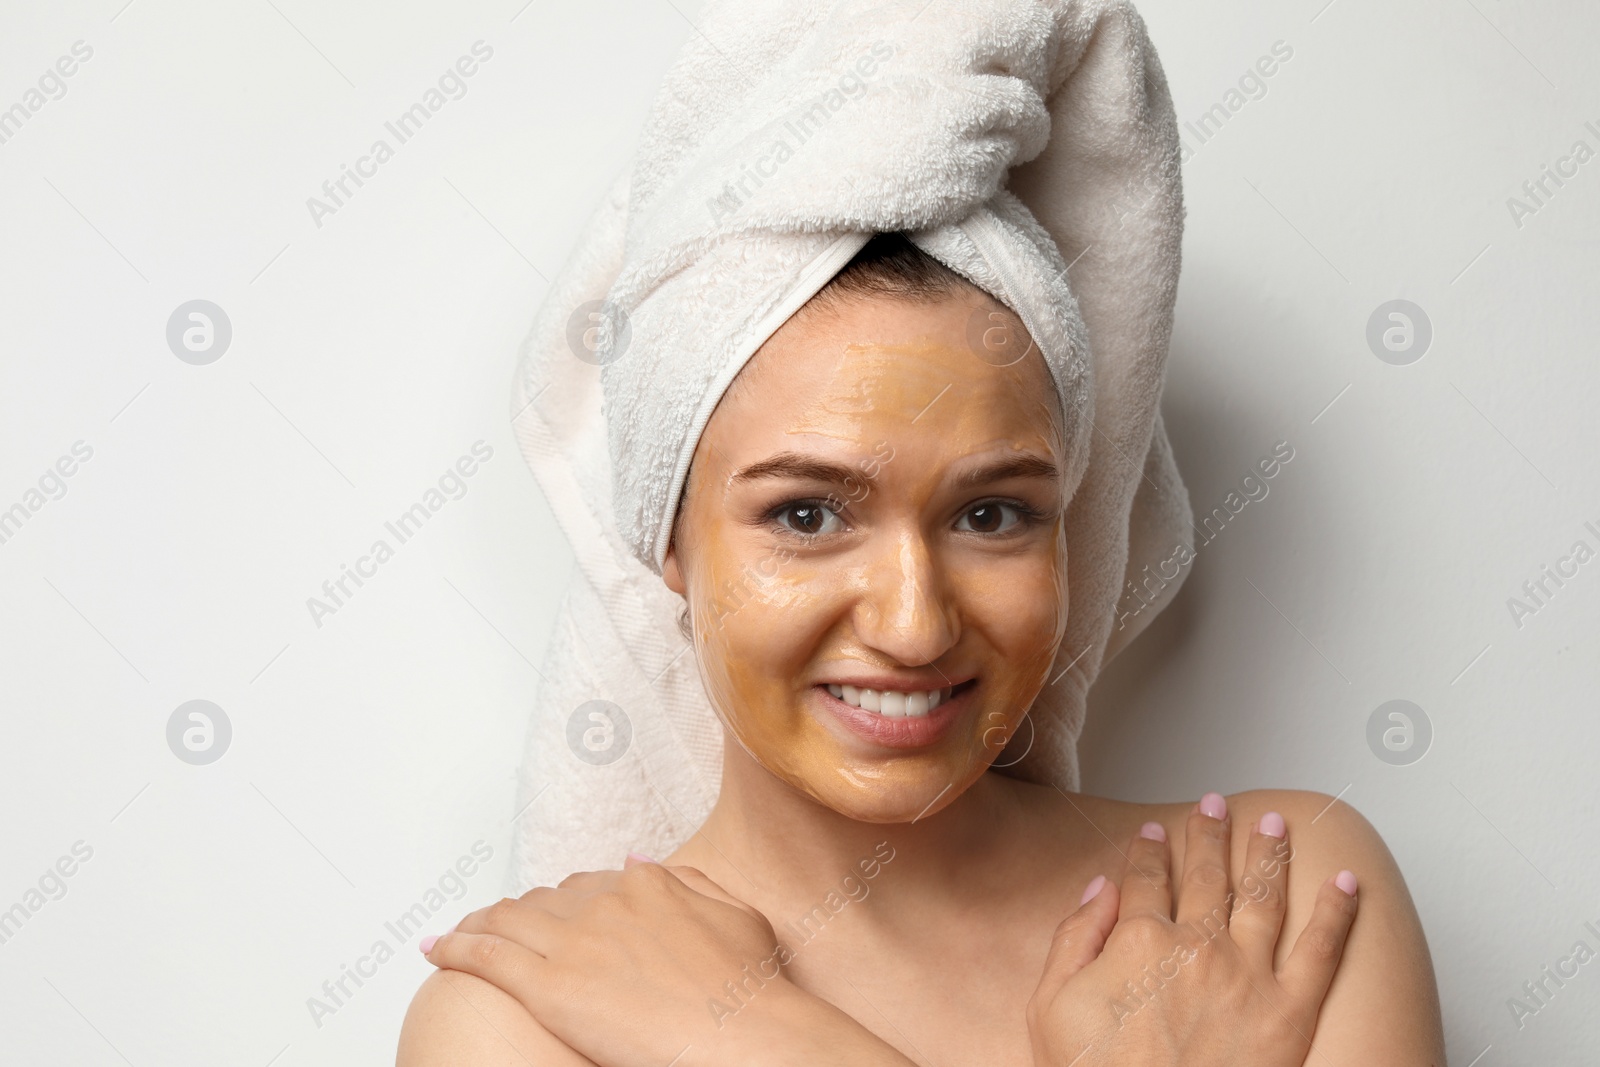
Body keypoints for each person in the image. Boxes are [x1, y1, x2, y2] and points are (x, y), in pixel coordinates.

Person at [395, 233, 1446, 1065]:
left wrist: (773, 1044)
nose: (913, 625)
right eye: (806, 515)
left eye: (990, 514)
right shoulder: (524, 1022)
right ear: (669, 540)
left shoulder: (1273, 899)